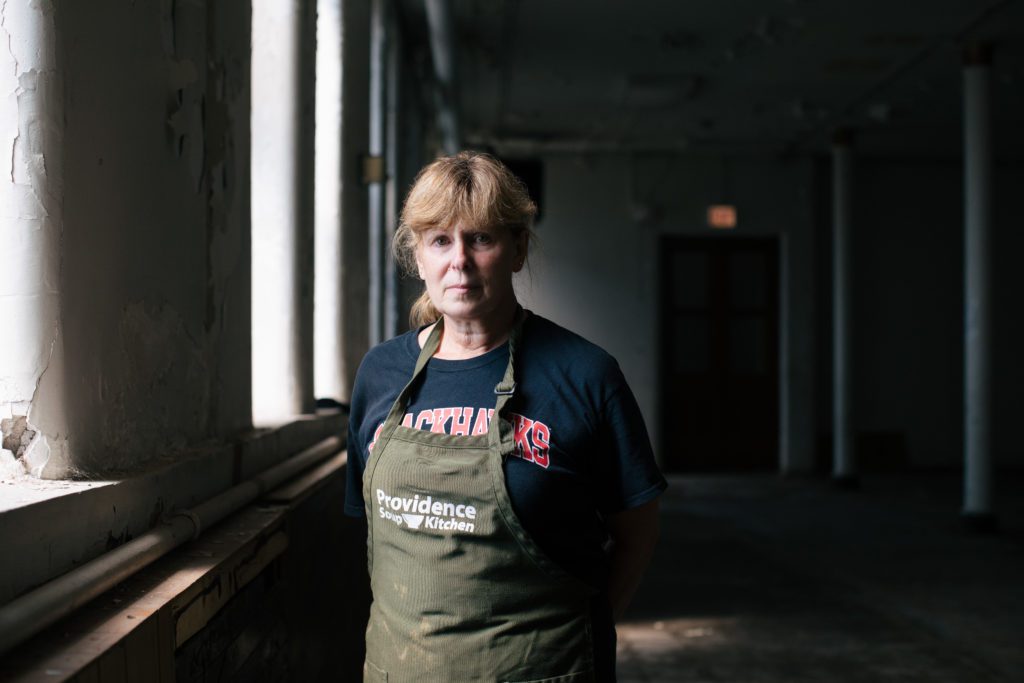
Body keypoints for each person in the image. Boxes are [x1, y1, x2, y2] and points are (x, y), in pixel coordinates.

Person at [345, 151, 666, 682]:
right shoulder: (381, 373)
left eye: (482, 239)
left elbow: (638, 532)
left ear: (518, 248)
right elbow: (370, 528)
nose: (460, 261)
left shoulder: (585, 375)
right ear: (418, 258)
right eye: (440, 241)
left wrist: (587, 634)